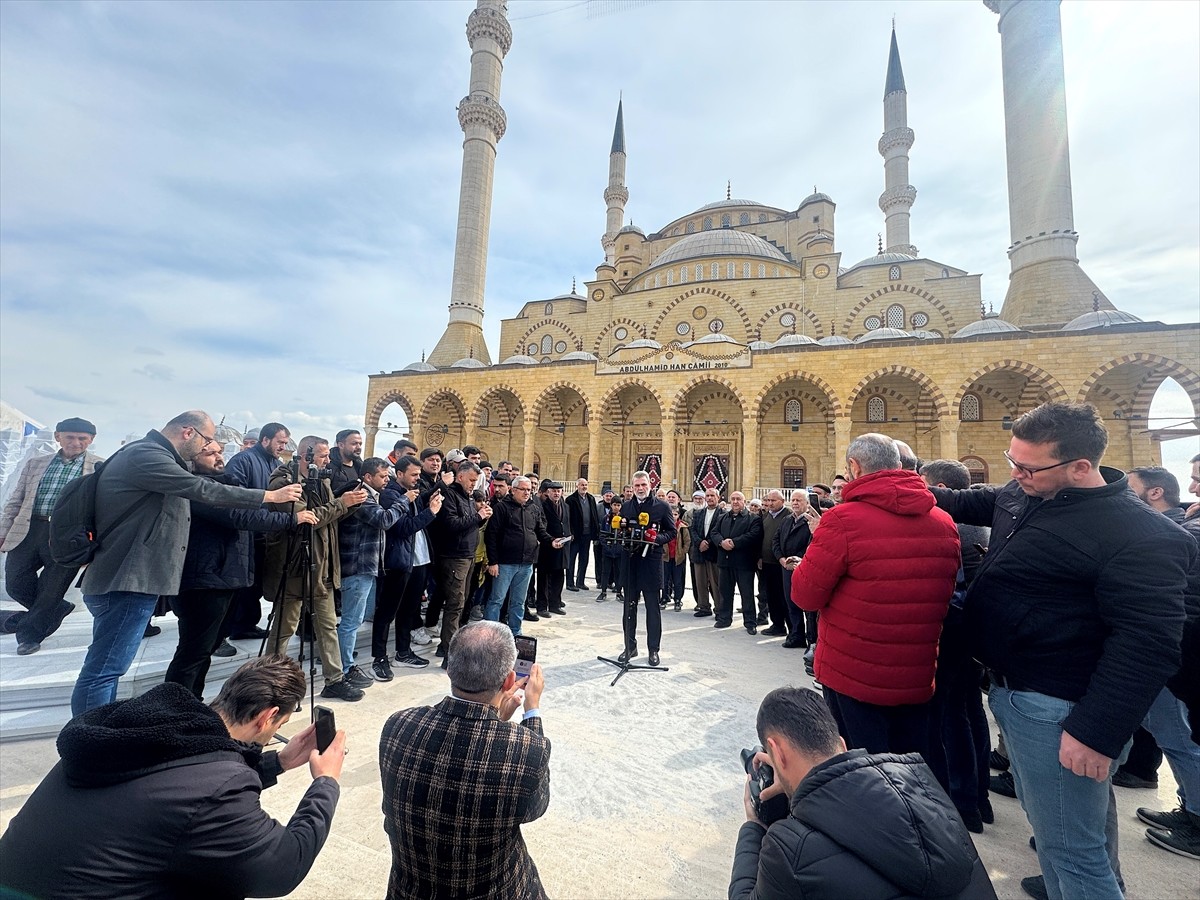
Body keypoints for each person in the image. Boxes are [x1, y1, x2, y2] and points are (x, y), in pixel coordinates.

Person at [928, 403, 1194, 900]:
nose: (1016, 473)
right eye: (1013, 460)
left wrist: (1095, 733)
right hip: (1019, 694)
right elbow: (970, 500)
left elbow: (1149, 643)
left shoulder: (1141, 535)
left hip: (1062, 709)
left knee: (1075, 851)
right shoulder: (1027, 491)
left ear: (1080, 467)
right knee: (1075, 830)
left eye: (1028, 467)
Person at [0, 655, 346, 899]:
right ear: (268, 716)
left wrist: (277, 763)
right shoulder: (219, 785)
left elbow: (173, 781)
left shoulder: (139, 727)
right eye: (279, 726)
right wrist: (325, 783)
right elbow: (281, 868)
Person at [70, 412, 303, 715]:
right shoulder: (147, 454)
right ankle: (90, 741)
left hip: (136, 578)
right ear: (187, 432)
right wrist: (269, 496)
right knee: (105, 669)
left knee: (110, 667)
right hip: (126, 578)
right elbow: (203, 491)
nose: (212, 450)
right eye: (208, 442)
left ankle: (103, 729)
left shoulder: (152, 456)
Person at [729, 686, 996, 900]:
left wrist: (754, 825)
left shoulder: (790, 849)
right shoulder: (925, 787)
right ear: (842, 745)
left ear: (775, 752)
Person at [791, 433, 960, 762]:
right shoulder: (943, 521)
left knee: (864, 769)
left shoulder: (843, 520)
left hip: (854, 675)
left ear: (853, 467)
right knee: (911, 764)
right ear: (898, 465)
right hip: (916, 672)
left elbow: (805, 595)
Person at [379, 621, 550, 900]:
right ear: (509, 681)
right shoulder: (526, 748)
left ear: (450, 669)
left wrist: (496, 720)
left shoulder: (398, 725)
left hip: (408, 890)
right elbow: (535, 807)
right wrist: (532, 711)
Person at [164, 441, 310, 698]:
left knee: (206, 649)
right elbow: (239, 516)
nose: (219, 457)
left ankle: (192, 702)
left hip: (225, 577)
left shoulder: (225, 483)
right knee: (193, 651)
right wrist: (291, 517)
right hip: (203, 580)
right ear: (192, 458)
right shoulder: (196, 486)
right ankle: (174, 707)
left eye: (220, 452)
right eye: (210, 453)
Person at [1122, 465, 1200, 859]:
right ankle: (1189, 808)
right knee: (1172, 733)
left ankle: (1198, 822)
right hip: (1172, 652)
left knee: (1179, 737)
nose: (1192, 487)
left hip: (1171, 653)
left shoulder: (1178, 533)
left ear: (1153, 494)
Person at [263, 435, 368, 702]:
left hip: (321, 566)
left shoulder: (321, 481)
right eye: (322, 456)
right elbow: (307, 520)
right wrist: (342, 502)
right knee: (284, 629)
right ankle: (266, 683)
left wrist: (351, 504)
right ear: (304, 455)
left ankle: (334, 680)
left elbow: (329, 517)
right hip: (295, 567)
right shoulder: (283, 482)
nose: (326, 461)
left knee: (328, 626)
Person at [921, 458, 993, 833]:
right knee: (968, 710)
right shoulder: (976, 524)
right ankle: (978, 797)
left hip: (953, 626)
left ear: (943, 490)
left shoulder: (952, 522)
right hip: (971, 630)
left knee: (950, 716)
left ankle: (963, 802)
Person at [0, 416, 102, 654]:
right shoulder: (36, 464)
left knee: (51, 589)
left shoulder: (99, 467)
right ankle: (56, 609)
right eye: (70, 437)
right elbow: (16, 500)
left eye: (82, 438)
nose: (75, 442)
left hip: (69, 534)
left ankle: (29, 636)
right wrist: (3, 530)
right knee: (15, 582)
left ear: (91, 440)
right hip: (29, 529)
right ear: (58, 437)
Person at [336, 457, 405, 690]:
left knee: (354, 620)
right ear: (367, 477)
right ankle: (345, 668)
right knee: (351, 621)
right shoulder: (360, 496)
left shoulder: (368, 494)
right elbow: (384, 520)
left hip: (367, 567)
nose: (387, 481)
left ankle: (343, 662)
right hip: (356, 567)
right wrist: (404, 501)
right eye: (383, 476)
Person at [374, 455, 442, 678]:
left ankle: (403, 652)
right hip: (399, 561)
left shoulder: (413, 493)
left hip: (419, 560)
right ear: (399, 474)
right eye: (413, 474)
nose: (417, 478)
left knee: (408, 609)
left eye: (418, 475)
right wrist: (431, 512)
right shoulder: (391, 495)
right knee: (387, 611)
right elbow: (402, 528)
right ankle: (379, 657)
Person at [223, 422, 292, 641]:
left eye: (285, 443)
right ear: (265, 439)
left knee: (255, 585)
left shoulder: (278, 464)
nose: (282, 446)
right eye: (279, 442)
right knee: (239, 586)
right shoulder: (242, 461)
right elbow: (234, 496)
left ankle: (246, 625)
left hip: (267, 533)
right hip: (245, 534)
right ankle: (224, 632)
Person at [428, 461, 493, 668]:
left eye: (476, 481)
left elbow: (468, 525)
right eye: (472, 480)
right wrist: (478, 516)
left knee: (461, 603)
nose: (474, 484)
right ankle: (449, 654)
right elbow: (452, 525)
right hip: (453, 557)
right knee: (455, 605)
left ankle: (446, 647)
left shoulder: (468, 497)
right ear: (460, 476)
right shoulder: (450, 495)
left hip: (467, 556)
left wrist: (481, 519)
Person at [485, 475, 562, 635]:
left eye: (529, 489)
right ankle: (490, 633)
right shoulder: (502, 508)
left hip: (526, 564)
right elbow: (491, 535)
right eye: (523, 489)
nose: (527, 493)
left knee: (519, 601)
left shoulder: (533, 508)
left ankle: (515, 632)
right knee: (496, 600)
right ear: (513, 490)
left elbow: (540, 531)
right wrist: (493, 561)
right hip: (505, 563)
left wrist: (552, 541)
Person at [616, 470, 676, 665]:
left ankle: (653, 649)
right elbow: (622, 528)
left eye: (643, 485)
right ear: (632, 487)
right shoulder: (626, 507)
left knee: (652, 608)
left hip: (651, 562)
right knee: (628, 607)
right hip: (630, 561)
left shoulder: (662, 506)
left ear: (650, 485)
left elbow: (671, 532)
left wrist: (656, 538)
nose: (640, 489)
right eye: (637, 486)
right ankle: (629, 646)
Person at [710, 491, 763, 634]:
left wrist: (734, 543)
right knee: (725, 593)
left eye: (738, 499)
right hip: (725, 562)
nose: (735, 502)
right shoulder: (722, 517)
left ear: (744, 501)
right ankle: (724, 619)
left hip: (744, 563)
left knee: (746, 594)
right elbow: (714, 533)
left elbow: (753, 536)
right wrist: (721, 542)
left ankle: (750, 622)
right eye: (732, 499)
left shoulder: (753, 518)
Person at [773, 490, 818, 649]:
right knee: (790, 603)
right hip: (787, 568)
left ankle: (811, 640)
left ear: (807, 503)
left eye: (799, 500)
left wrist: (799, 560)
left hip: (803, 569)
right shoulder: (786, 520)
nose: (795, 503)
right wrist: (782, 559)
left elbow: (813, 544)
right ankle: (795, 635)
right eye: (793, 500)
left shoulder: (810, 522)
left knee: (806, 605)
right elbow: (776, 541)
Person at [535, 480, 570, 616]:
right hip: (547, 546)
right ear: (548, 493)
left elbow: (566, 523)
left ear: (562, 492)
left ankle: (555, 604)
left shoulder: (565, 506)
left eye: (558, 491)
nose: (556, 493)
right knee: (544, 578)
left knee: (559, 577)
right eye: (553, 491)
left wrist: (568, 537)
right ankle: (542, 606)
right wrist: (550, 539)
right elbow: (541, 526)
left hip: (563, 546)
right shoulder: (543, 506)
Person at [757, 489, 789, 636]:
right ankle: (777, 625)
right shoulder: (765, 516)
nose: (770, 503)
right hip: (767, 563)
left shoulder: (787, 516)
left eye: (773, 501)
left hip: (781, 563)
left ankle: (791, 628)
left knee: (783, 597)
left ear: (782, 501)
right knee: (771, 596)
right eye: (768, 500)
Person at [689, 487, 721, 618]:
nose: (709, 498)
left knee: (716, 582)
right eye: (707, 496)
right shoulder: (698, 513)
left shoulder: (723, 514)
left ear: (718, 498)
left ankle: (719, 609)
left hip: (714, 553)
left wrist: (707, 543)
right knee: (700, 581)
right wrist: (699, 542)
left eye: (712, 495)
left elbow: (719, 531)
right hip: (699, 552)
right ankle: (704, 606)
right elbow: (693, 530)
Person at [565, 477, 598, 592]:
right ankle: (569, 583)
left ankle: (580, 582)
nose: (584, 487)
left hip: (587, 535)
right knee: (572, 559)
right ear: (577, 486)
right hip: (575, 535)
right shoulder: (570, 500)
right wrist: (570, 533)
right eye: (582, 485)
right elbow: (567, 518)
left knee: (584, 559)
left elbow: (594, 516)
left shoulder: (591, 498)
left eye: (585, 485)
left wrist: (595, 533)